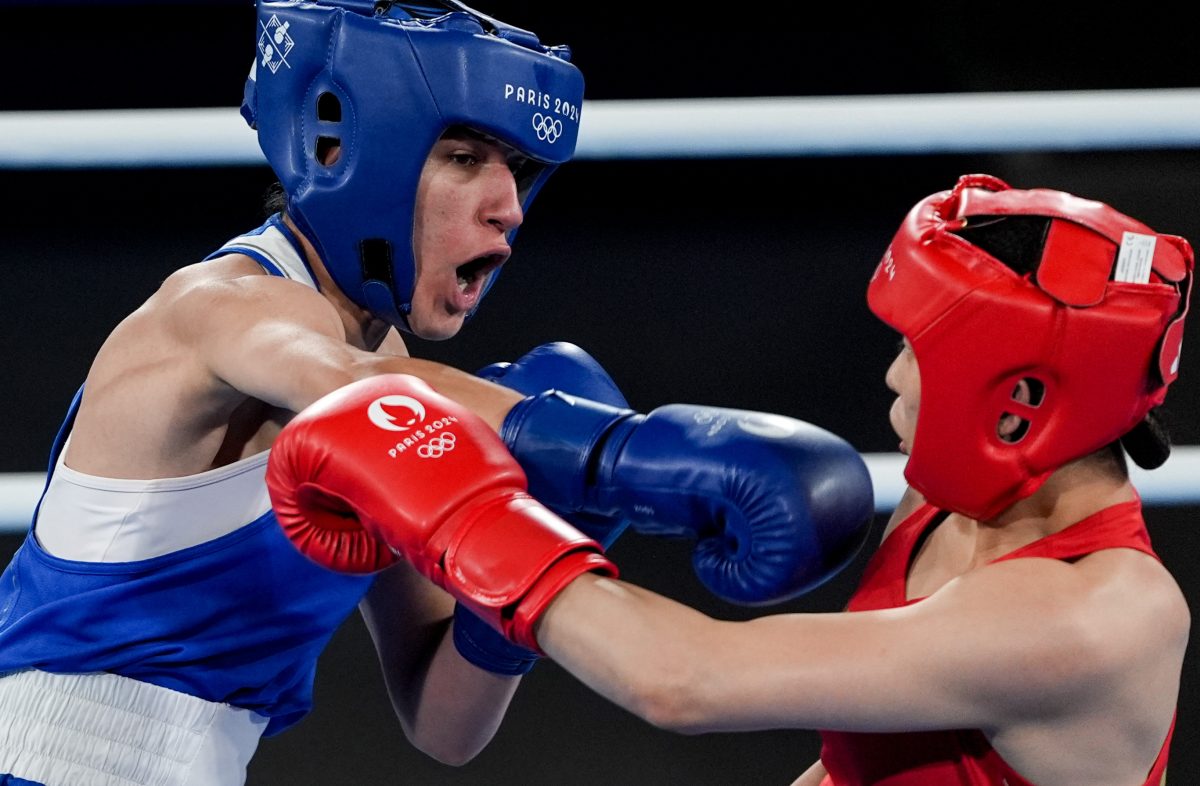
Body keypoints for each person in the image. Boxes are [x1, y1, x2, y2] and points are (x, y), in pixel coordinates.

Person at [0, 2, 875, 784]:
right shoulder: (221, 307)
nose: (509, 209)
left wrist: (551, 535)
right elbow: (351, 385)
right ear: (341, 152)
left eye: (518, 170)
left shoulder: (398, 387)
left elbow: (441, 724)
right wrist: (618, 451)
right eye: (463, 158)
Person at [268, 173, 1192, 786]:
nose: (891, 378)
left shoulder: (1092, 619)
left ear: (1018, 401)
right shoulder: (957, 508)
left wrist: (469, 517)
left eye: (919, 353)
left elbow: (685, 681)